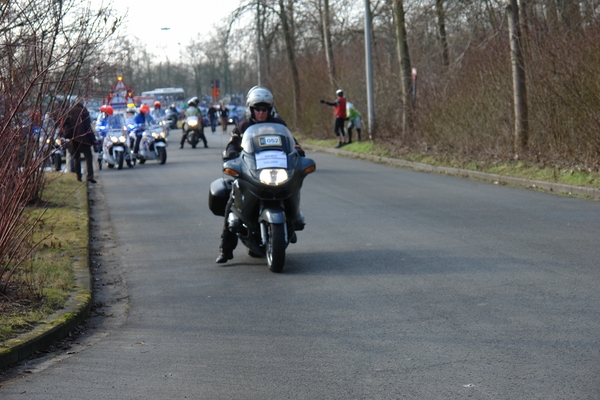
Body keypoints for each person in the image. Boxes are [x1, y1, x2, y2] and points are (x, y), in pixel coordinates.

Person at [216, 86, 305, 264]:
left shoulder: (279, 124)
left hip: (276, 171)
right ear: (251, 109)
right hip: (251, 171)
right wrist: (231, 154)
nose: (261, 112)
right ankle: (226, 249)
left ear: (270, 108)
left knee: (292, 188)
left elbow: (291, 143)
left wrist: (298, 151)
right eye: (258, 108)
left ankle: (292, 222)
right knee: (232, 201)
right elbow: (233, 144)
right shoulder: (243, 126)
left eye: (265, 109)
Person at [62, 100, 97, 183]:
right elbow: (87, 127)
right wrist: (93, 139)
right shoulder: (84, 111)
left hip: (74, 138)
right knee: (88, 157)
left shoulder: (70, 112)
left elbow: (65, 124)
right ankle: (90, 176)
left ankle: (78, 176)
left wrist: (68, 135)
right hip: (84, 138)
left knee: (76, 158)